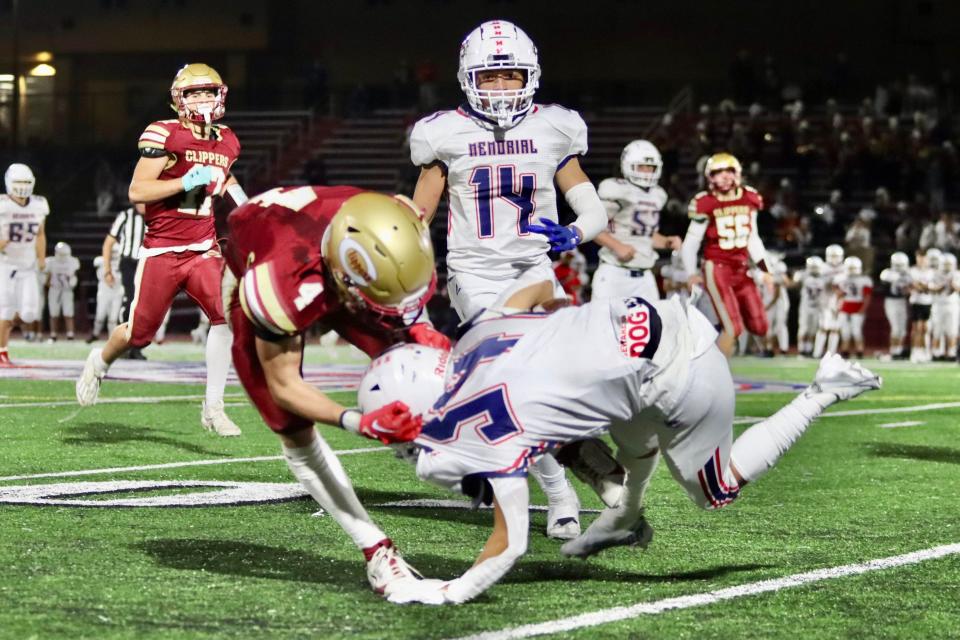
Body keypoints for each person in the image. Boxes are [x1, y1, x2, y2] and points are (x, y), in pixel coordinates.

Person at [359, 297, 881, 605]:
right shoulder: (477, 336)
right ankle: (623, 511)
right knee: (621, 438)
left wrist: (445, 592)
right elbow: (540, 292)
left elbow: (510, 542)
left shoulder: (497, 420)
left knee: (714, 490)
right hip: (647, 321)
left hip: (680, 372)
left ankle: (823, 390)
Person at [409, 20, 612, 538]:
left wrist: (577, 230)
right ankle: (559, 492)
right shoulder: (443, 132)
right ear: (467, 78)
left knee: (563, 379)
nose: (501, 87)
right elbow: (418, 214)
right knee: (516, 376)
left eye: (511, 75)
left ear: (532, 76)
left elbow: (590, 203)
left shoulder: (553, 127)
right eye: (490, 76)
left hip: (534, 268)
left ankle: (575, 474)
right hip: (475, 272)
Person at [221, 185, 448, 596]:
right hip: (271, 267)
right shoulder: (277, 285)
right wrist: (359, 421)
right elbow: (286, 386)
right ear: (346, 276)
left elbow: (401, 283)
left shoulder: (391, 217)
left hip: (328, 257)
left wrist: (424, 330)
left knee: (429, 356)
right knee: (292, 427)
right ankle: (376, 550)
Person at [76, 63, 246, 436]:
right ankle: (100, 361)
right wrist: (186, 179)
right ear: (178, 99)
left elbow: (225, 173)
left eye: (208, 91)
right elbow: (138, 192)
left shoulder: (227, 139)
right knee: (139, 333)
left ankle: (214, 406)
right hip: (163, 250)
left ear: (221, 94)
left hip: (203, 246)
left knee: (227, 316)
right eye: (193, 93)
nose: (202, 99)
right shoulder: (165, 134)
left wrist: (246, 205)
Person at [680, 152, 773, 357]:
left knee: (760, 326)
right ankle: (712, 374)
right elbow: (690, 243)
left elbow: (753, 238)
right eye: (717, 172)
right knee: (733, 328)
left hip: (742, 267)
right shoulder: (706, 202)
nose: (723, 176)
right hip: (717, 266)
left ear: (737, 173)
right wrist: (691, 273)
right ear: (709, 177)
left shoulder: (749, 197)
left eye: (728, 171)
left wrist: (766, 270)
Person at [592, 140, 681, 301]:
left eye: (650, 167)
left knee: (652, 324)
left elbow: (645, 235)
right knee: (604, 324)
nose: (646, 172)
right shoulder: (617, 190)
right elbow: (592, 226)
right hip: (614, 273)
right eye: (642, 167)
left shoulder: (657, 195)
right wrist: (617, 245)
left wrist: (666, 241)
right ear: (628, 166)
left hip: (645, 276)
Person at [0, 163, 48, 366]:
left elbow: (40, 233)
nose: (22, 186)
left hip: (27, 265)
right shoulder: (2, 204)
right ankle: (2, 352)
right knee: (5, 308)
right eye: (18, 182)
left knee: (30, 313)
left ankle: (6, 326)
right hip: (5, 263)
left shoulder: (39, 204)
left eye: (26, 182)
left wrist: (41, 257)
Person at [102, 203, 147, 357]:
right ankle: (125, 345)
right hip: (129, 263)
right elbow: (108, 242)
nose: (142, 204)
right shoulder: (126, 216)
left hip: (147, 263)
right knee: (130, 301)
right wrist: (107, 270)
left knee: (144, 305)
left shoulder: (157, 215)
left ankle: (136, 346)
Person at [835, 256, 873, 359]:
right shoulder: (840, 278)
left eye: (853, 268)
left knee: (856, 331)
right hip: (844, 306)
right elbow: (837, 293)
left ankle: (859, 351)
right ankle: (845, 351)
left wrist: (862, 309)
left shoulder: (864, 280)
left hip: (857, 306)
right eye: (850, 268)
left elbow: (867, 296)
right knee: (845, 331)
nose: (851, 270)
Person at [813, 244, 845, 358]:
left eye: (836, 256)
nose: (834, 258)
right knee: (823, 327)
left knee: (835, 328)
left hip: (839, 301)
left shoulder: (845, 268)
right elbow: (820, 284)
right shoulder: (823, 267)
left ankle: (831, 353)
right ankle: (817, 352)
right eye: (832, 256)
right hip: (825, 301)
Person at [44, 241, 80, 341]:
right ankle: (53, 334)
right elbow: (47, 276)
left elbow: (75, 276)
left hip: (67, 290)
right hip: (55, 289)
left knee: (68, 312)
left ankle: (70, 334)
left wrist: (73, 283)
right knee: (53, 313)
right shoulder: (51, 261)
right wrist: (48, 284)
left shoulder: (73, 261)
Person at [878, 251, 911, 360]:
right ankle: (893, 350)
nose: (900, 267)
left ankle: (899, 350)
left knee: (903, 329)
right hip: (891, 302)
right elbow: (884, 284)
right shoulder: (887, 273)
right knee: (896, 328)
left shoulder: (908, 274)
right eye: (898, 265)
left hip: (902, 301)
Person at [89, 245, 124, 342]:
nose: (113, 255)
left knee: (113, 318)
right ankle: (95, 334)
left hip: (117, 292)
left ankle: (111, 338)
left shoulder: (122, 262)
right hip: (104, 292)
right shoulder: (102, 261)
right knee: (100, 316)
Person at [793, 256, 826, 357]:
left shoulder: (824, 277)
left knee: (813, 329)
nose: (814, 269)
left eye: (816, 267)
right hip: (805, 306)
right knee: (804, 328)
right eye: (813, 267)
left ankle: (809, 349)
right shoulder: (803, 275)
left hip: (818, 307)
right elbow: (794, 284)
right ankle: (801, 349)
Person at [908, 248, 937, 363]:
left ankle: (925, 350)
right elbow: (912, 285)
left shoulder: (932, 272)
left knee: (925, 328)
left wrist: (923, 286)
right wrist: (923, 286)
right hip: (916, 301)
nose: (921, 261)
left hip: (928, 301)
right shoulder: (912, 271)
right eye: (919, 258)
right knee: (916, 328)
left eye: (923, 258)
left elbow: (933, 287)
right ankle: (915, 351)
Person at [930, 253, 959, 360]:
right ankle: (936, 352)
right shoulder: (935, 274)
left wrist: (953, 285)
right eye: (945, 264)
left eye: (949, 264)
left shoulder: (957, 274)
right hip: (939, 304)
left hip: (952, 305)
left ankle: (951, 353)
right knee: (937, 330)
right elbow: (931, 289)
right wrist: (940, 287)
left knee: (952, 330)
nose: (947, 267)